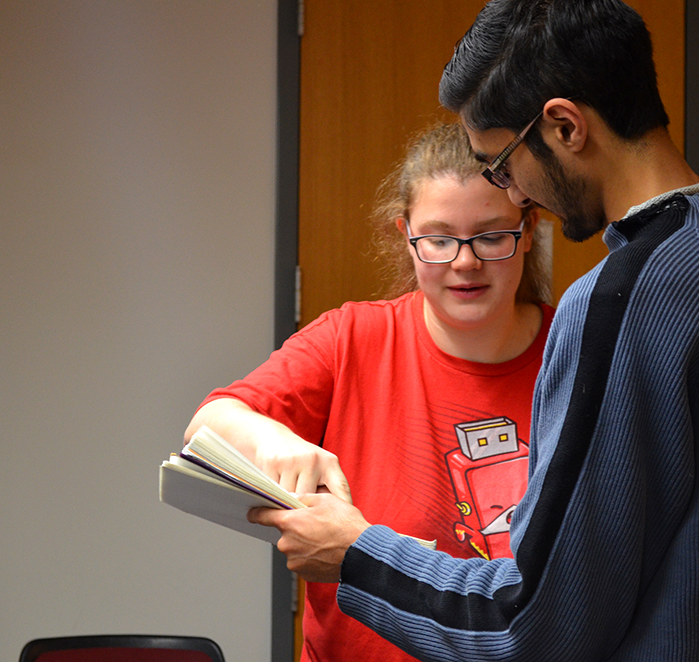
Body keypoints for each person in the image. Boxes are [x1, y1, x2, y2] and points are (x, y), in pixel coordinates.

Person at [248, 1, 699, 660]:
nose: (519, 194)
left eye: (502, 164)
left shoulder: (622, 299)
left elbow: (533, 625)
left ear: (564, 126)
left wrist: (356, 554)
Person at [185, 122, 555, 662]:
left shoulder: (574, 349)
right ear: (406, 235)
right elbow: (210, 423)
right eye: (439, 238)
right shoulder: (351, 338)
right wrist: (276, 444)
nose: (465, 262)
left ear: (529, 228)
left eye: (492, 235)